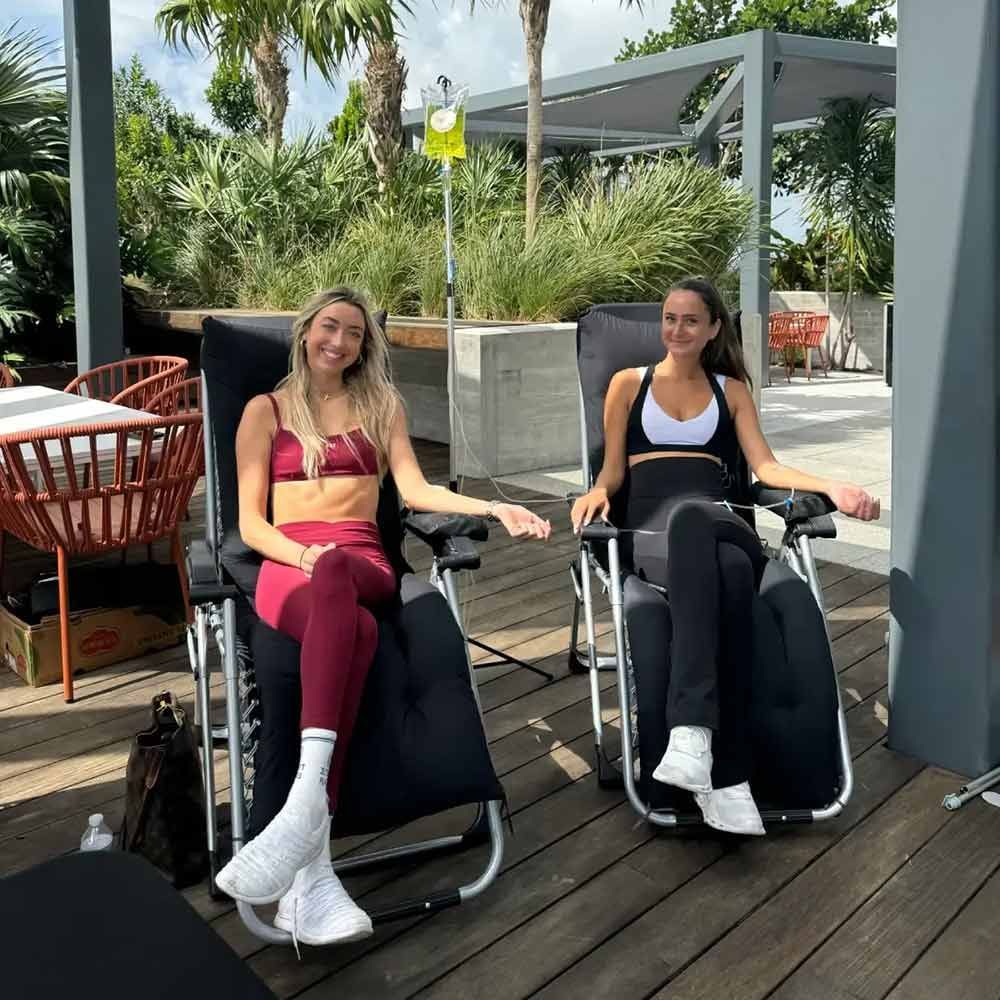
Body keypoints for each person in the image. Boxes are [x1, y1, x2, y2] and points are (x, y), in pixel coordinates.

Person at [215, 287, 551, 945]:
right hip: (291, 567)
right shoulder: (265, 410)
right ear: (306, 329)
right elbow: (251, 523)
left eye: (354, 335)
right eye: (329, 327)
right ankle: (312, 869)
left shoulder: (380, 405)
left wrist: (492, 507)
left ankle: (302, 809)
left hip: (362, 561)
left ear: (364, 347)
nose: (338, 343)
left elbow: (419, 490)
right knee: (361, 630)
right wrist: (307, 557)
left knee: (346, 575)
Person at [570, 276, 879, 837]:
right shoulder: (625, 385)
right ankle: (730, 776)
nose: (676, 329)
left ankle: (690, 735)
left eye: (691, 320)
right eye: (669, 318)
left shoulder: (731, 390)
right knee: (732, 572)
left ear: (714, 328)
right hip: (653, 533)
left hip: (720, 518)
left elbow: (767, 469)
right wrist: (595, 491)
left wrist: (834, 486)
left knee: (701, 521)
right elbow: (613, 471)